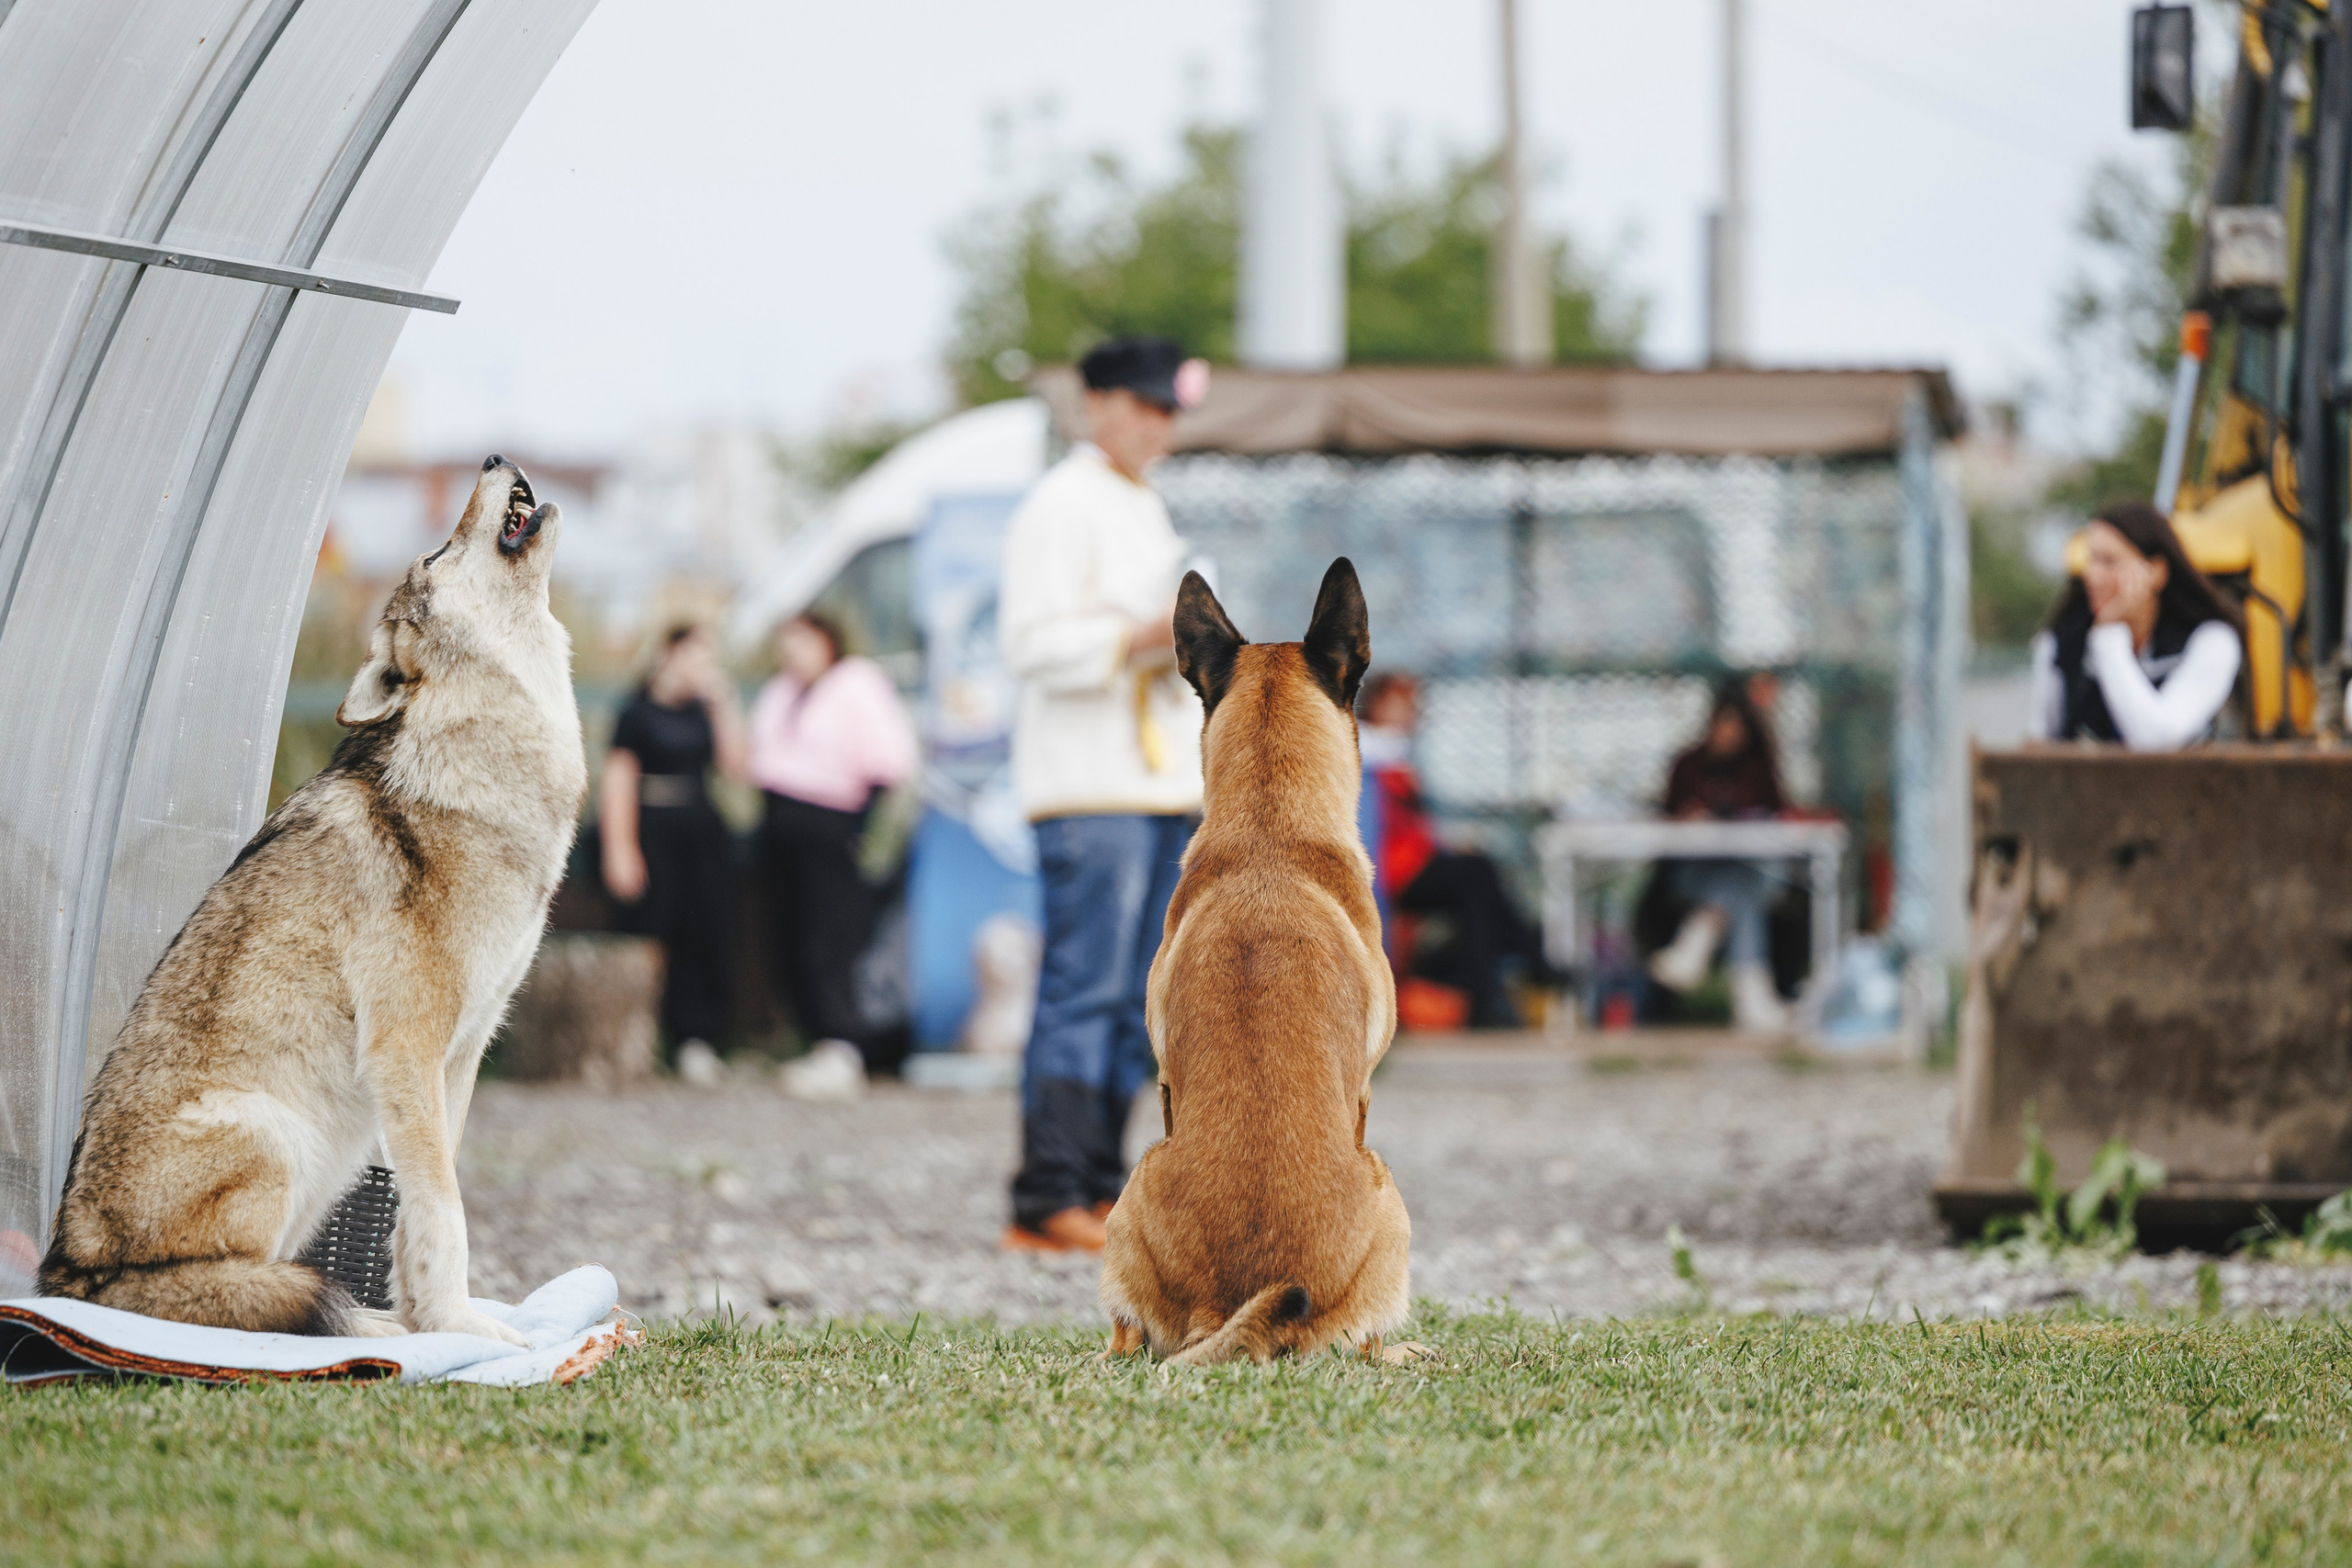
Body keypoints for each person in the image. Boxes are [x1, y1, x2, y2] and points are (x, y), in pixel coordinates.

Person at [998, 336, 1205, 1253]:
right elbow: (1032, 645)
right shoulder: (1060, 503)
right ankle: (1046, 1195)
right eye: (1148, 407)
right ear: (1099, 404)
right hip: (1090, 786)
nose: (1161, 427)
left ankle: (1097, 1182)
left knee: (1135, 997)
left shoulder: (1141, 503)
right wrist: (1142, 635)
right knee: (1083, 991)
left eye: (1170, 412)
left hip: (1158, 780)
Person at [747, 610, 920, 1098]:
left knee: (831, 936)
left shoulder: (857, 683)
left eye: (802, 641)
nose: (791, 652)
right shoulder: (782, 691)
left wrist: (864, 834)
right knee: (788, 934)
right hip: (779, 823)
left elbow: (889, 762)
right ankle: (815, 1037)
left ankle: (843, 1042)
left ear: (827, 641)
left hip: (831, 825)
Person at [1359, 671, 1555, 1028]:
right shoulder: (1369, 754)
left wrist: (1444, 846)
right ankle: (1528, 961)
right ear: (1379, 705)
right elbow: (1386, 828)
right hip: (1390, 870)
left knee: (1475, 887)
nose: (1413, 713)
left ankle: (1495, 989)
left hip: (1407, 862)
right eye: (1403, 704)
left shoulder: (1393, 757)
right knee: (1476, 876)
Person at [601, 624, 749, 1084]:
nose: (703, 668)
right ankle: (635, 1038)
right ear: (669, 655)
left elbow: (736, 768)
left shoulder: (707, 710)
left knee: (702, 933)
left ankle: (695, 1040)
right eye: (695, 657)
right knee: (648, 930)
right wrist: (620, 849)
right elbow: (619, 779)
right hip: (651, 829)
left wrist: (726, 707)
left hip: (701, 829)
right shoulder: (636, 713)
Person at [2029, 502, 2245, 750]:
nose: (2092, 575)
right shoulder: (2062, 642)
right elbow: (2042, 739)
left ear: (2156, 572)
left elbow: (2156, 741)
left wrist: (2109, 637)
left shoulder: (2212, 640)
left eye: (2109, 561)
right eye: (2092, 559)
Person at [1645, 681, 1792, 1033]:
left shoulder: (1758, 767)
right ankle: (1752, 999)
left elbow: (1777, 813)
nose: (1729, 735)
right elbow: (1665, 817)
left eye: (1737, 727)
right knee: (1739, 894)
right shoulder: (1687, 764)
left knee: (1739, 884)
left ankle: (1697, 939)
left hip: (1752, 870)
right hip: (1695, 875)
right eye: (1723, 725)